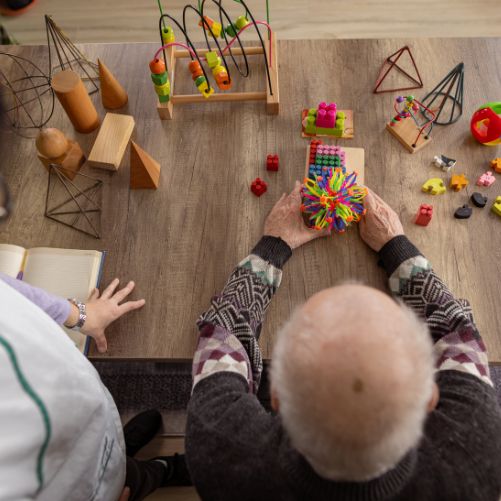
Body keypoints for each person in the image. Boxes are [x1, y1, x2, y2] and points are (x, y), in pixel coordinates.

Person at [185, 183, 501, 500]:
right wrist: (394, 245)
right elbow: (459, 331)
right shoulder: (480, 455)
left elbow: (223, 331)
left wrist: (274, 245)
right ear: (432, 396)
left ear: (276, 396)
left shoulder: (218, 448)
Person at [0, 271, 190, 501]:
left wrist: (79, 315)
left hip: (83, 411)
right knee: (136, 479)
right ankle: (162, 470)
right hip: (86, 487)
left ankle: (122, 447)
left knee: (108, 438)